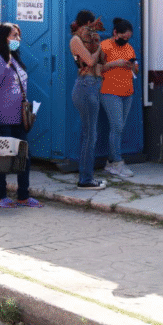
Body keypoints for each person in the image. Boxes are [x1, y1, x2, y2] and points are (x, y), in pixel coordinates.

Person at [0, 23, 43, 208]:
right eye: (14, 36)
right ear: (3, 37)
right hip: (2, 118)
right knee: (3, 159)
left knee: (24, 157)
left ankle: (23, 196)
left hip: (18, 118)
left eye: (18, 36)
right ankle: (0, 196)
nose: (18, 40)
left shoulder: (14, 58)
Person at [69, 10, 107, 190]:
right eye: (92, 25)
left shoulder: (87, 40)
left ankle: (85, 177)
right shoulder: (75, 40)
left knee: (89, 135)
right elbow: (90, 62)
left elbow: (101, 62)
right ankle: (85, 179)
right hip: (85, 86)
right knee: (90, 136)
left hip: (92, 85)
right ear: (86, 23)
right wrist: (99, 45)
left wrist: (97, 43)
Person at [100, 18, 138, 178]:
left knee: (119, 128)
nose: (125, 40)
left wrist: (133, 66)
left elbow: (136, 69)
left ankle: (111, 162)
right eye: (123, 37)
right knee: (117, 126)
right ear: (115, 33)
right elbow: (97, 67)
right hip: (109, 91)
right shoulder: (104, 46)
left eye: (128, 38)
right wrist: (116, 63)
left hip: (127, 91)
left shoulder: (129, 48)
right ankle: (117, 162)